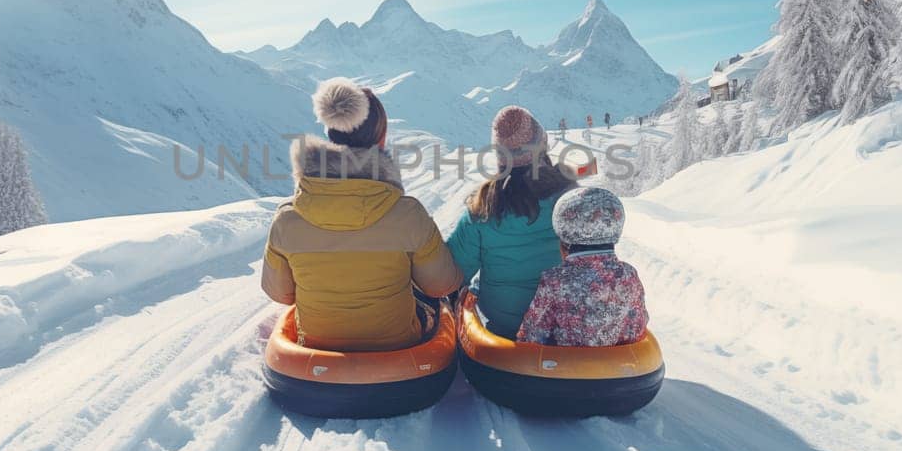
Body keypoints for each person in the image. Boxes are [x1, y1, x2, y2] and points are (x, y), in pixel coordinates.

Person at [261, 78, 462, 350]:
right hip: (399, 349)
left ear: (330, 131)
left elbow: (280, 293)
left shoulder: (287, 219)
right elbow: (441, 285)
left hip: (315, 348)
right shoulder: (408, 214)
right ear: (380, 138)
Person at [446, 106, 576, 337]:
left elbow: (453, 273)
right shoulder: (569, 198)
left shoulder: (483, 206)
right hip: (562, 321)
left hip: (503, 327)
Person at [516, 186, 648, 347]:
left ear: (564, 234)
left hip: (567, 368)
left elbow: (532, 333)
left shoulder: (555, 280)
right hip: (620, 368)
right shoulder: (628, 275)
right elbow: (637, 327)